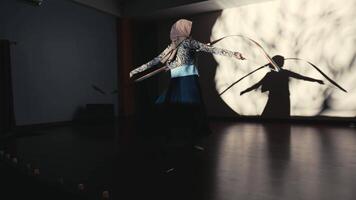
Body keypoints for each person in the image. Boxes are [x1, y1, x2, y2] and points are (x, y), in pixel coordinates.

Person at [129, 19, 245, 150]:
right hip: (188, 81)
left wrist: (135, 70)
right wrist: (234, 54)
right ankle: (188, 141)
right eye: (188, 29)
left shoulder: (172, 45)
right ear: (183, 30)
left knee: (175, 109)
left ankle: (178, 140)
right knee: (192, 111)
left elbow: (155, 61)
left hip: (176, 81)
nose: (190, 32)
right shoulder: (189, 42)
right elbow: (211, 49)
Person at [240, 55, 324, 118]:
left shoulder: (280, 73)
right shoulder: (272, 74)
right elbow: (258, 84)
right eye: (282, 61)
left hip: (282, 97)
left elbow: (301, 77)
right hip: (277, 97)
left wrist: (316, 80)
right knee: (271, 116)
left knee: (280, 117)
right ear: (278, 63)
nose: (283, 63)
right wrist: (245, 91)